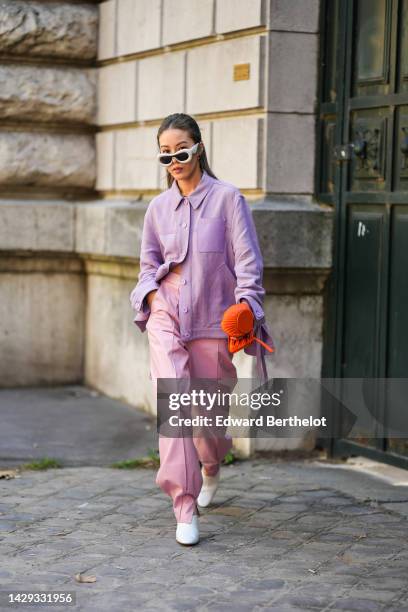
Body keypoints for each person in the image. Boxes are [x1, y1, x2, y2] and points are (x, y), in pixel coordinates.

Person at [129, 112, 275, 545]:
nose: (174, 160)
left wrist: (248, 305)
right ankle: (184, 504)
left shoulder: (230, 200)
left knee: (207, 422)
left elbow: (248, 263)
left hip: (214, 318)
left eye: (181, 151)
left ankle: (211, 466)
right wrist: (152, 297)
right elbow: (147, 267)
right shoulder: (157, 209)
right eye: (165, 155)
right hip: (167, 314)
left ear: (199, 148)